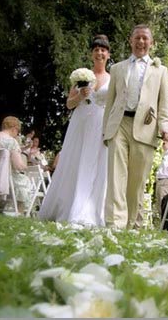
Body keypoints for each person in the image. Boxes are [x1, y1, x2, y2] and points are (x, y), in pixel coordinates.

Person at [102, 25, 168, 229]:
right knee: (116, 177)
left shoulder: (161, 71)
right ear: (130, 41)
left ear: (151, 43)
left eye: (145, 38)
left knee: (137, 181)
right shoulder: (117, 68)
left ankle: (132, 224)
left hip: (146, 128)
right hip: (119, 124)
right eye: (137, 38)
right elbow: (110, 102)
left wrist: (164, 127)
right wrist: (106, 130)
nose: (141, 42)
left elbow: (164, 104)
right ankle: (115, 223)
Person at [38, 34, 112, 226]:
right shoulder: (82, 76)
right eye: (96, 50)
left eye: (103, 50)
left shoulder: (112, 79)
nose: (99, 53)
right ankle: (69, 206)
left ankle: (91, 211)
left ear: (108, 55)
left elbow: (114, 107)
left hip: (100, 125)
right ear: (91, 54)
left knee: (96, 165)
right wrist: (80, 95)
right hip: (80, 123)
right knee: (76, 161)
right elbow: (69, 104)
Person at [0, 116, 32, 213]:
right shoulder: (12, 142)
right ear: (14, 129)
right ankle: (19, 214)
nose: (17, 134)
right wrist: (27, 168)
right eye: (18, 131)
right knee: (25, 181)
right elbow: (18, 166)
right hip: (3, 177)